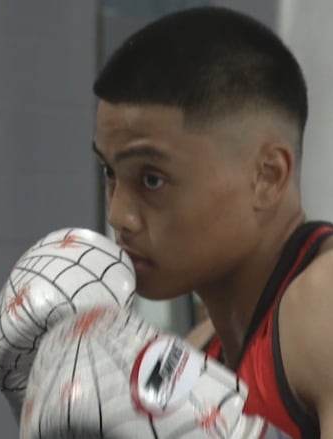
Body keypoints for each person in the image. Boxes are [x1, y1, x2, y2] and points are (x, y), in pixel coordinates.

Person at [92, 6, 332, 438]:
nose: (119, 215)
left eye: (152, 178)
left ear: (266, 176)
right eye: (111, 173)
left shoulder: (324, 307)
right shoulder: (197, 357)